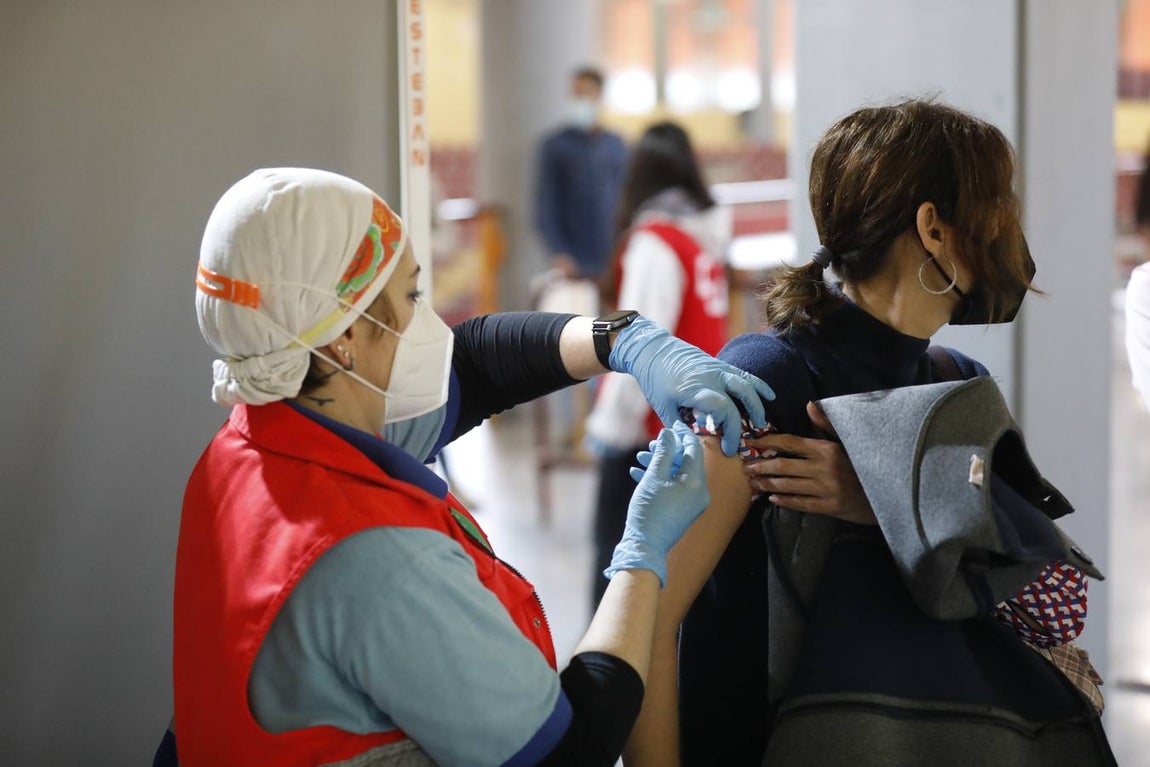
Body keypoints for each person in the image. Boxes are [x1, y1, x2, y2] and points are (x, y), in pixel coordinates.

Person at [165, 167, 775, 767]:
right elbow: (568, 752)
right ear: (341, 339)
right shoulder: (379, 563)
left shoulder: (252, 447)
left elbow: (478, 365)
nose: (430, 322)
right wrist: (643, 556)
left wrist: (627, 341)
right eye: (407, 296)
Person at [623, 100, 1116, 765]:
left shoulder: (956, 382)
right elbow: (646, 607)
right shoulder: (762, 380)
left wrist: (885, 497)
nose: (1011, 225)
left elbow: (1052, 604)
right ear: (933, 228)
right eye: (998, 200)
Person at [584, 121, 730, 607]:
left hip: (648, 436)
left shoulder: (655, 241)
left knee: (617, 571)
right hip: (700, 427)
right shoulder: (704, 239)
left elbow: (636, 345)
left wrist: (606, 427)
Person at [534, 66, 629, 282]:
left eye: (584, 94)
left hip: (611, 255)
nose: (578, 100)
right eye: (574, 94)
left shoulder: (615, 145)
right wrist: (559, 252)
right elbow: (545, 204)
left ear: (598, 96)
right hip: (573, 259)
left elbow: (625, 198)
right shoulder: (556, 146)